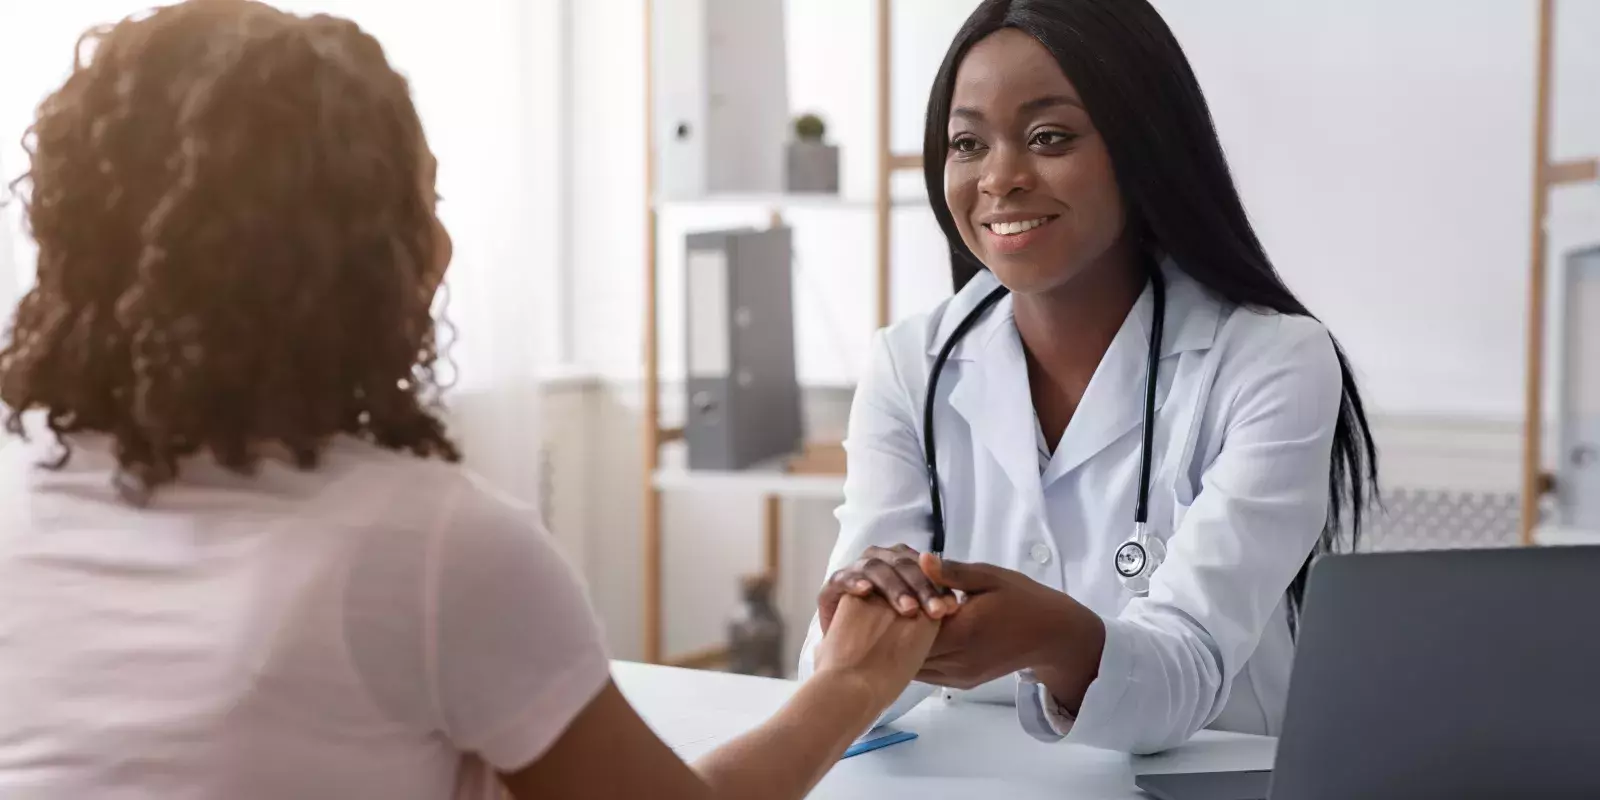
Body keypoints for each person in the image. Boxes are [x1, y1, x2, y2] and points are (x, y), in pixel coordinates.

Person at [0, 2, 938, 798]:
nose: (444, 246)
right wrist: (849, 682)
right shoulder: (430, 545)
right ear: (374, 260)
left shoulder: (19, 492)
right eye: (424, 205)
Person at [798, 0, 1379, 756]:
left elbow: (1186, 673)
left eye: (1050, 137)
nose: (999, 178)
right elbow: (838, 688)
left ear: (1144, 147)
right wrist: (867, 614)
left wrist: (1050, 637)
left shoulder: (1272, 363)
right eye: (967, 143)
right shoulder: (910, 365)